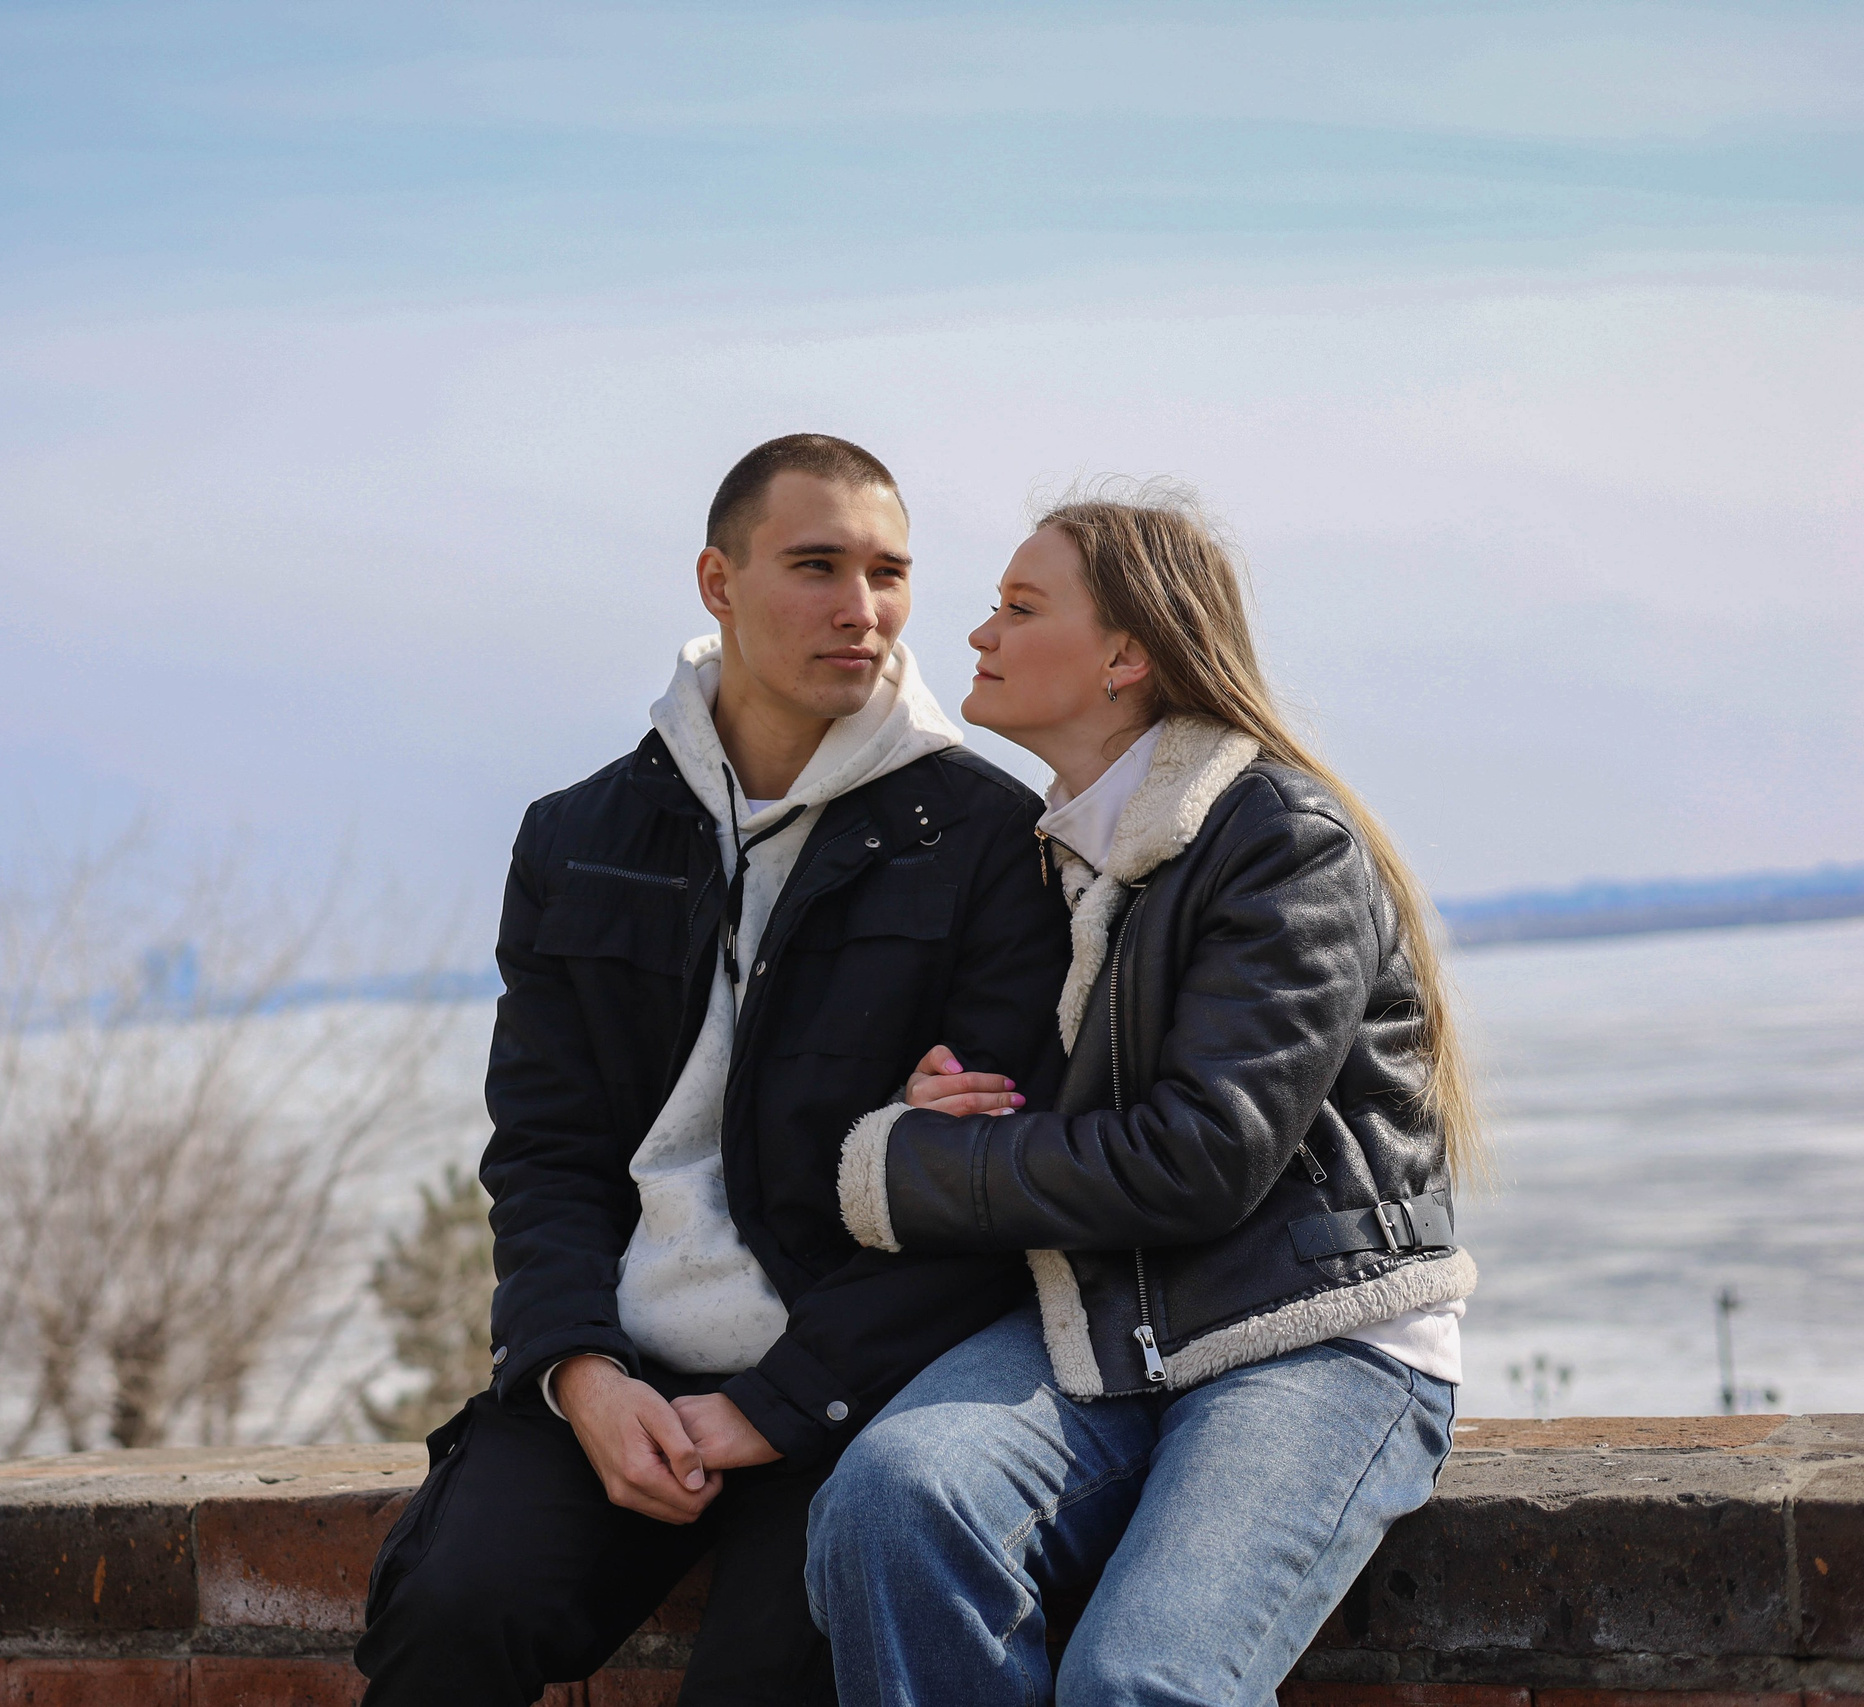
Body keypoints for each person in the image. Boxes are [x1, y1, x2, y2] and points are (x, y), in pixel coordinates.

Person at [354, 435, 1073, 1705]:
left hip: (855, 1384)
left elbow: (983, 1193)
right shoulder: (579, 838)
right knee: (450, 1611)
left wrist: (777, 1405)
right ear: (717, 582)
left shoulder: (989, 839)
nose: (861, 609)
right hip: (622, 1365)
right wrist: (580, 1374)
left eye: (889, 573)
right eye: (816, 566)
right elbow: (548, 1153)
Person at [806, 484, 1481, 1707]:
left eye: (1020, 607)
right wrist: (948, 1099)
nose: (979, 633)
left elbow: (1197, 1156)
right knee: (890, 1503)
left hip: (1310, 1336)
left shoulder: (1278, 838)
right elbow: (1067, 1098)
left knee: (1138, 1680)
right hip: (1106, 1324)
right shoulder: (1052, 855)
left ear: (1126, 655)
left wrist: (906, 1165)